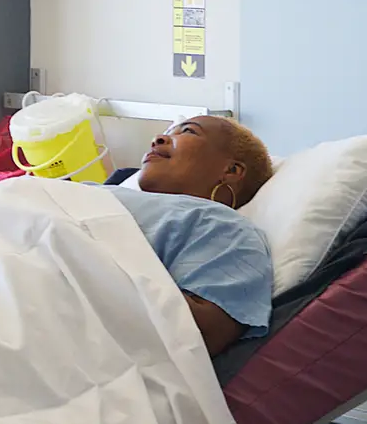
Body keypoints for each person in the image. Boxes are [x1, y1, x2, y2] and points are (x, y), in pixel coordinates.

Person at [102, 116, 276, 357]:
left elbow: (197, 334)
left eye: (188, 132)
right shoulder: (103, 192)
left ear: (232, 170)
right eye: (166, 132)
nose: (158, 139)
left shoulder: (224, 227)